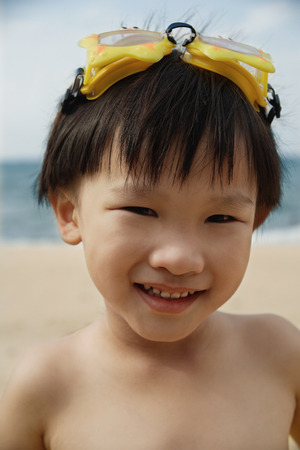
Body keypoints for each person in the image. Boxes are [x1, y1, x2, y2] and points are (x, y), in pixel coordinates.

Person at [0, 22, 299, 449]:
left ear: (257, 219)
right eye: (140, 209)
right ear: (69, 213)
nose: (179, 258)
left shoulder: (281, 354)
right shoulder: (45, 386)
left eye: (220, 218)